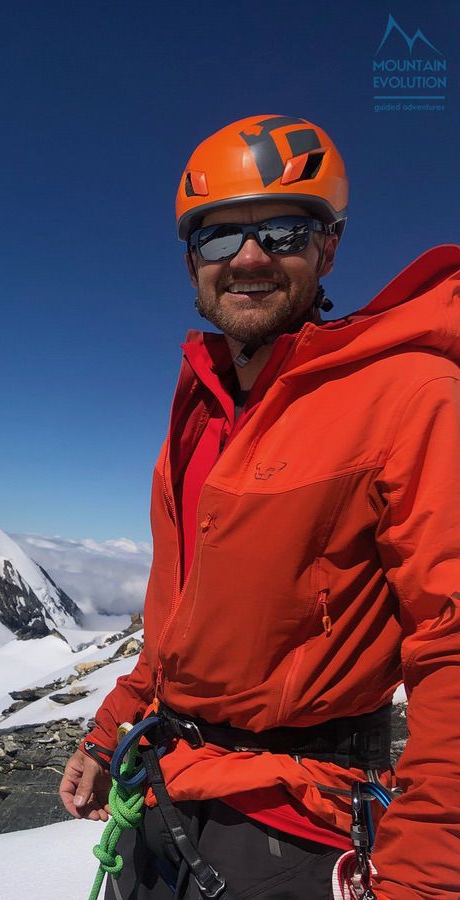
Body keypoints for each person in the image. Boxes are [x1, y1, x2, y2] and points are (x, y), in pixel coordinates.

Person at [59, 115, 460, 899]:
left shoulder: (410, 395)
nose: (247, 258)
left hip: (297, 823)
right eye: (218, 237)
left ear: (329, 247)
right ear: (190, 260)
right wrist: (109, 737)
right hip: (166, 792)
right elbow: (178, 624)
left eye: (282, 230)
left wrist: (428, 870)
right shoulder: (202, 411)